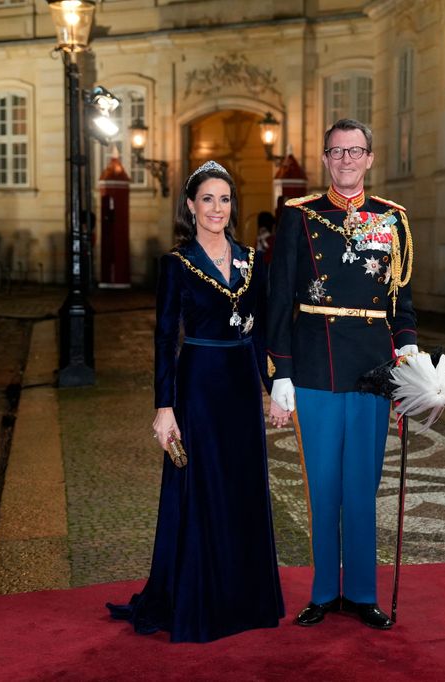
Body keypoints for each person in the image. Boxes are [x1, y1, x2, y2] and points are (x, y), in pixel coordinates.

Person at [106, 160, 284, 643]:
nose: (217, 208)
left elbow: (264, 327)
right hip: (199, 387)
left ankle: (246, 599)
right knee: (201, 490)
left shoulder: (251, 259)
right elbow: (165, 339)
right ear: (190, 206)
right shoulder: (177, 264)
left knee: (244, 488)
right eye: (207, 199)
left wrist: (276, 385)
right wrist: (165, 406)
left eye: (225, 199)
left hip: (243, 387)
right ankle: (200, 598)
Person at [267, 118, 417, 630]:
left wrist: (411, 355)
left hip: (373, 372)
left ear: (370, 159)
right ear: (326, 158)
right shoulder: (299, 217)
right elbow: (279, 297)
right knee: (323, 485)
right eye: (337, 152)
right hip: (315, 368)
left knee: (362, 486)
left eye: (356, 152)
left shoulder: (391, 219)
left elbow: (401, 301)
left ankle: (361, 592)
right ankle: (324, 591)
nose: (346, 160)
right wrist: (280, 373)